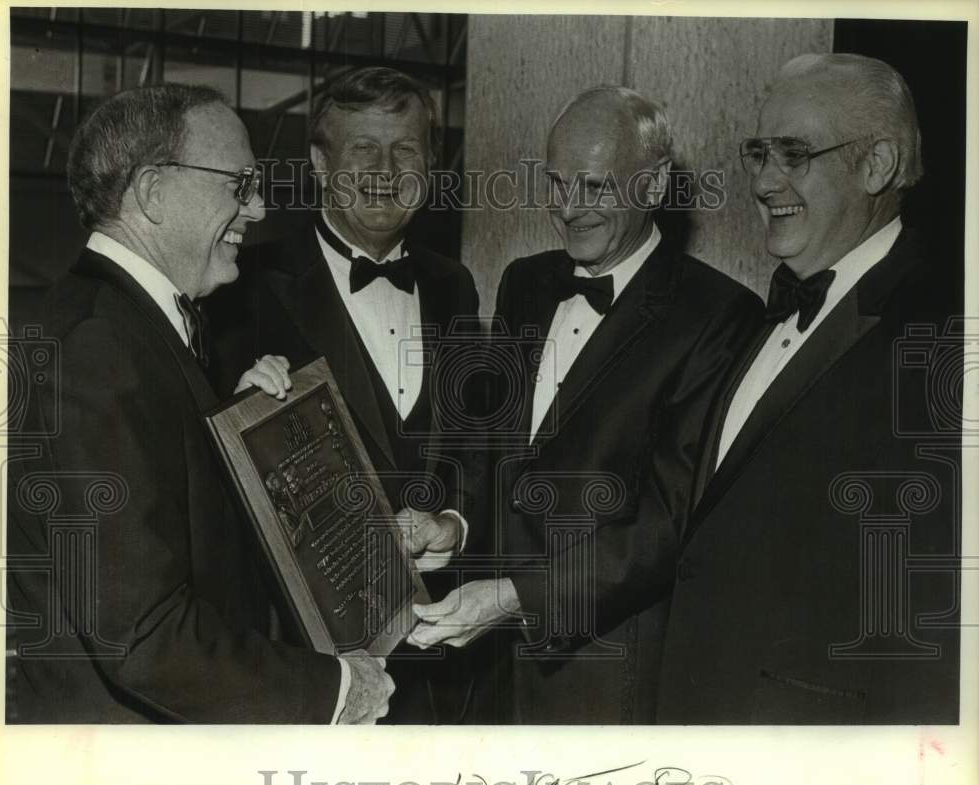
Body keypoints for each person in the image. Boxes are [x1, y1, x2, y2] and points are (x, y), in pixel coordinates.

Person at [6, 83, 393, 724]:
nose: (260, 208)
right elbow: (144, 636)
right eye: (238, 184)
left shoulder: (131, 322)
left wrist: (237, 424)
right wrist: (333, 692)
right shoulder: (96, 346)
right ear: (154, 193)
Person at [408, 85, 764, 723]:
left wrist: (519, 597)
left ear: (653, 187)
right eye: (556, 184)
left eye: (594, 187)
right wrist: (457, 525)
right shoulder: (526, 281)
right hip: (488, 667)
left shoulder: (719, 315)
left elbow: (668, 519)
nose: (568, 209)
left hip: (607, 672)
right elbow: (497, 448)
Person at [657, 54, 961, 723]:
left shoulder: (944, 336)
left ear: (877, 165)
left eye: (794, 154)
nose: (765, 181)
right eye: (758, 153)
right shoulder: (754, 317)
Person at [207, 67, 482, 722]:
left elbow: (477, 445)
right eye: (363, 150)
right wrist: (237, 403)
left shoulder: (455, 286)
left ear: (432, 164)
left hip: (442, 664)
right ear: (320, 164)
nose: (386, 169)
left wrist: (457, 524)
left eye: (406, 149)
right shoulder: (241, 282)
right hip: (304, 667)